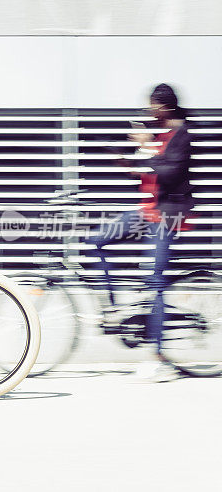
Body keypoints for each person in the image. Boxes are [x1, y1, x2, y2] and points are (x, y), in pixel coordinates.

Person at [87, 83, 194, 382]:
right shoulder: (161, 137)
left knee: (154, 280)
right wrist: (127, 161)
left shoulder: (181, 137)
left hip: (166, 217)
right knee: (95, 240)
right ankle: (111, 308)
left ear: (165, 107)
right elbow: (147, 174)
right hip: (145, 212)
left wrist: (146, 147)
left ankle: (158, 357)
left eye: (152, 106)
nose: (148, 112)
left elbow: (170, 173)